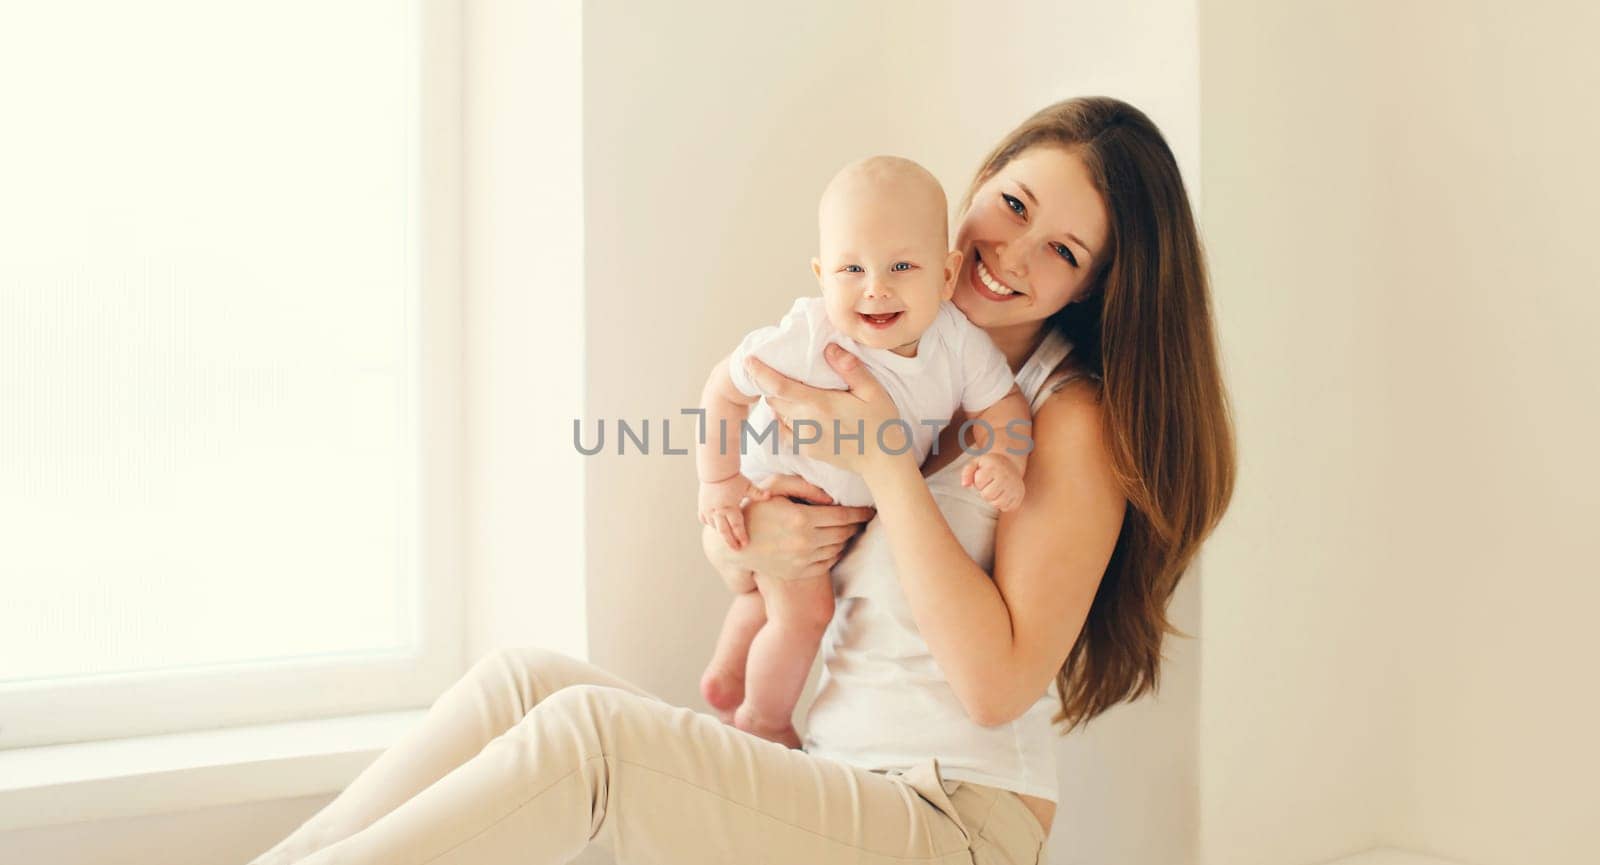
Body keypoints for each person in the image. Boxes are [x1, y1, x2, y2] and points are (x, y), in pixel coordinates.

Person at [247, 96, 1235, 865]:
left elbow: (994, 686)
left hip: (950, 821)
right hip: (827, 768)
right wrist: (743, 535)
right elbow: (786, 530)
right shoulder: (891, 335)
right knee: (525, 681)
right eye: (1012, 202)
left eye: (1061, 248)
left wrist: (885, 462)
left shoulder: (1066, 417)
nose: (1011, 249)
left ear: (1095, 287)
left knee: (592, 742)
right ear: (976, 186)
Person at [696, 154, 1030, 752]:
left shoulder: (957, 343)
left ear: (947, 274)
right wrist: (719, 484)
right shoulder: (809, 337)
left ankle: (725, 675)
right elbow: (724, 388)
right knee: (805, 615)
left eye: (902, 265)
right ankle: (762, 718)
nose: (875, 287)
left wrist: (1007, 459)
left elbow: (1003, 405)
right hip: (792, 491)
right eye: (851, 268)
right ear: (822, 275)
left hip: (846, 515)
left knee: (773, 596)